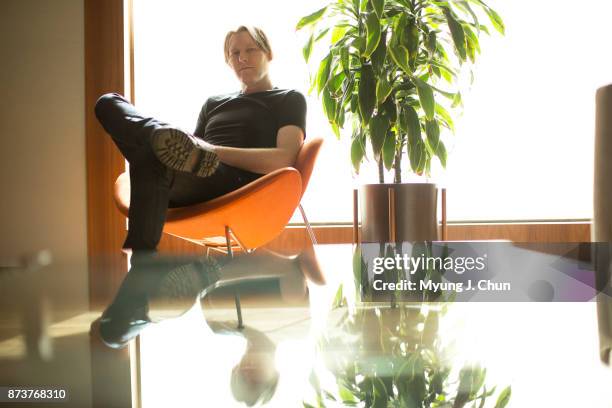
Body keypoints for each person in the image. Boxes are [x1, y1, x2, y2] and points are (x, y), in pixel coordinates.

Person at [94, 26, 307, 251]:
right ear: (229, 61)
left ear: (268, 53)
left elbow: (284, 159)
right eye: (235, 53)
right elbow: (186, 155)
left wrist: (212, 151)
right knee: (108, 103)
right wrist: (196, 149)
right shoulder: (213, 103)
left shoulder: (289, 99)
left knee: (150, 156)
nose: (243, 58)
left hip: (239, 186)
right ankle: (154, 132)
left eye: (251, 50)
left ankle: (140, 260)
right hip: (198, 179)